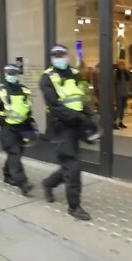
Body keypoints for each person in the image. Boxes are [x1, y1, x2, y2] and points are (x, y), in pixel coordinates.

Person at [40, 44, 97, 221]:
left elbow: (82, 96)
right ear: (52, 58)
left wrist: (89, 115)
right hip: (61, 128)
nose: (59, 58)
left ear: (67, 56)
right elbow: (56, 107)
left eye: (62, 54)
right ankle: (74, 206)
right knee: (73, 167)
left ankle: (49, 183)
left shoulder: (74, 73)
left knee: (69, 164)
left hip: (76, 127)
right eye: (55, 55)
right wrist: (80, 117)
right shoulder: (47, 78)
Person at [0, 64, 34, 195]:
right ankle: (22, 182)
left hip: (22, 127)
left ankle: (7, 175)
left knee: (17, 153)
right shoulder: (0, 91)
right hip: (7, 128)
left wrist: (30, 124)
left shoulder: (25, 90)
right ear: (5, 75)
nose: (12, 76)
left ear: (18, 74)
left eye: (14, 73)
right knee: (14, 153)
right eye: (9, 73)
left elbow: (28, 109)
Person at [114, 60, 132, 129]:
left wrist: (131, 92)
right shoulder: (115, 73)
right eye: (120, 64)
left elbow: (130, 83)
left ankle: (120, 121)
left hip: (125, 93)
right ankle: (115, 122)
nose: (122, 66)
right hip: (118, 94)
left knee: (123, 108)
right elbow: (113, 84)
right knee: (118, 108)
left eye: (123, 64)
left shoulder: (127, 73)